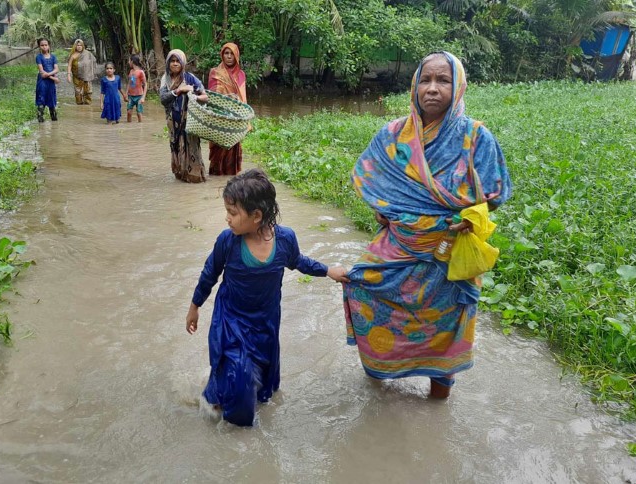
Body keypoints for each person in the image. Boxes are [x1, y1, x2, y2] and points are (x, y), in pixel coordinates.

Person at [343, 51, 512, 399]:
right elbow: (369, 179)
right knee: (362, 285)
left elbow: (494, 192)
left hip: (448, 257)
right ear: (414, 85)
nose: (432, 88)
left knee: (446, 327)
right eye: (425, 79)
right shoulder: (392, 135)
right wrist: (383, 208)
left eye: (443, 80)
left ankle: (438, 395)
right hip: (399, 248)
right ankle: (379, 379)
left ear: (459, 86)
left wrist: (471, 214)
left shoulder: (476, 137)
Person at [186, 169, 349, 426]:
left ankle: (233, 402)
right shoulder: (228, 242)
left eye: (232, 212)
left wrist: (329, 271)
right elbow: (210, 274)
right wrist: (194, 307)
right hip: (231, 319)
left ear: (256, 216)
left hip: (266, 320)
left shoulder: (284, 239)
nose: (226, 219)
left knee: (262, 382)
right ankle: (231, 423)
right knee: (238, 374)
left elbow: (298, 262)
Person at [159, 49, 208, 183]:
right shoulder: (165, 80)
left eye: (178, 61)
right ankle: (181, 176)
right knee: (176, 146)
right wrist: (179, 90)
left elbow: (205, 97)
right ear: (168, 63)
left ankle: (195, 177)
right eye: (172, 61)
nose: (175, 64)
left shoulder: (190, 78)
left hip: (190, 122)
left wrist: (193, 95)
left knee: (191, 147)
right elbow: (163, 99)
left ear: (183, 63)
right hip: (173, 123)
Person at [207, 42, 247, 176]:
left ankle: (230, 181)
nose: (229, 56)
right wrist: (227, 97)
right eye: (226, 53)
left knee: (233, 151)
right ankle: (215, 179)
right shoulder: (215, 72)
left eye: (231, 53)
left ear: (236, 56)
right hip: (218, 118)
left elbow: (243, 97)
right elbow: (212, 95)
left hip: (234, 118)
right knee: (217, 152)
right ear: (222, 55)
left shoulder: (241, 74)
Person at [35, 38, 59, 122]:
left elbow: (56, 69)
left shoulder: (53, 57)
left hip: (51, 83)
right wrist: (54, 78)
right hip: (42, 82)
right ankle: (40, 121)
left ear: (49, 46)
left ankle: (54, 122)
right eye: (42, 45)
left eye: (46, 45)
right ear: (39, 46)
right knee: (41, 100)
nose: (44, 47)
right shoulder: (39, 57)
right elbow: (42, 72)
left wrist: (49, 75)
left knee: (52, 100)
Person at [66, 39, 96, 105]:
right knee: (78, 91)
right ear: (75, 46)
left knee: (88, 91)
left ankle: (87, 106)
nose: (79, 47)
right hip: (76, 76)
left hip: (86, 75)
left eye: (80, 45)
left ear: (83, 46)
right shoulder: (73, 55)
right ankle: (79, 104)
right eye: (77, 45)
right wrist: (68, 75)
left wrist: (92, 72)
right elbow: (69, 65)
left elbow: (93, 62)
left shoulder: (88, 54)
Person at [124, 55, 147, 122]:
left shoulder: (141, 72)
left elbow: (145, 84)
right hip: (130, 96)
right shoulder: (131, 71)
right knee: (129, 112)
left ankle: (141, 127)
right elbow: (129, 83)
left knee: (139, 113)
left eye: (129, 61)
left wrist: (143, 97)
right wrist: (126, 94)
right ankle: (129, 125)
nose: (128, 62)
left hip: (139, 96)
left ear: (132, 61)